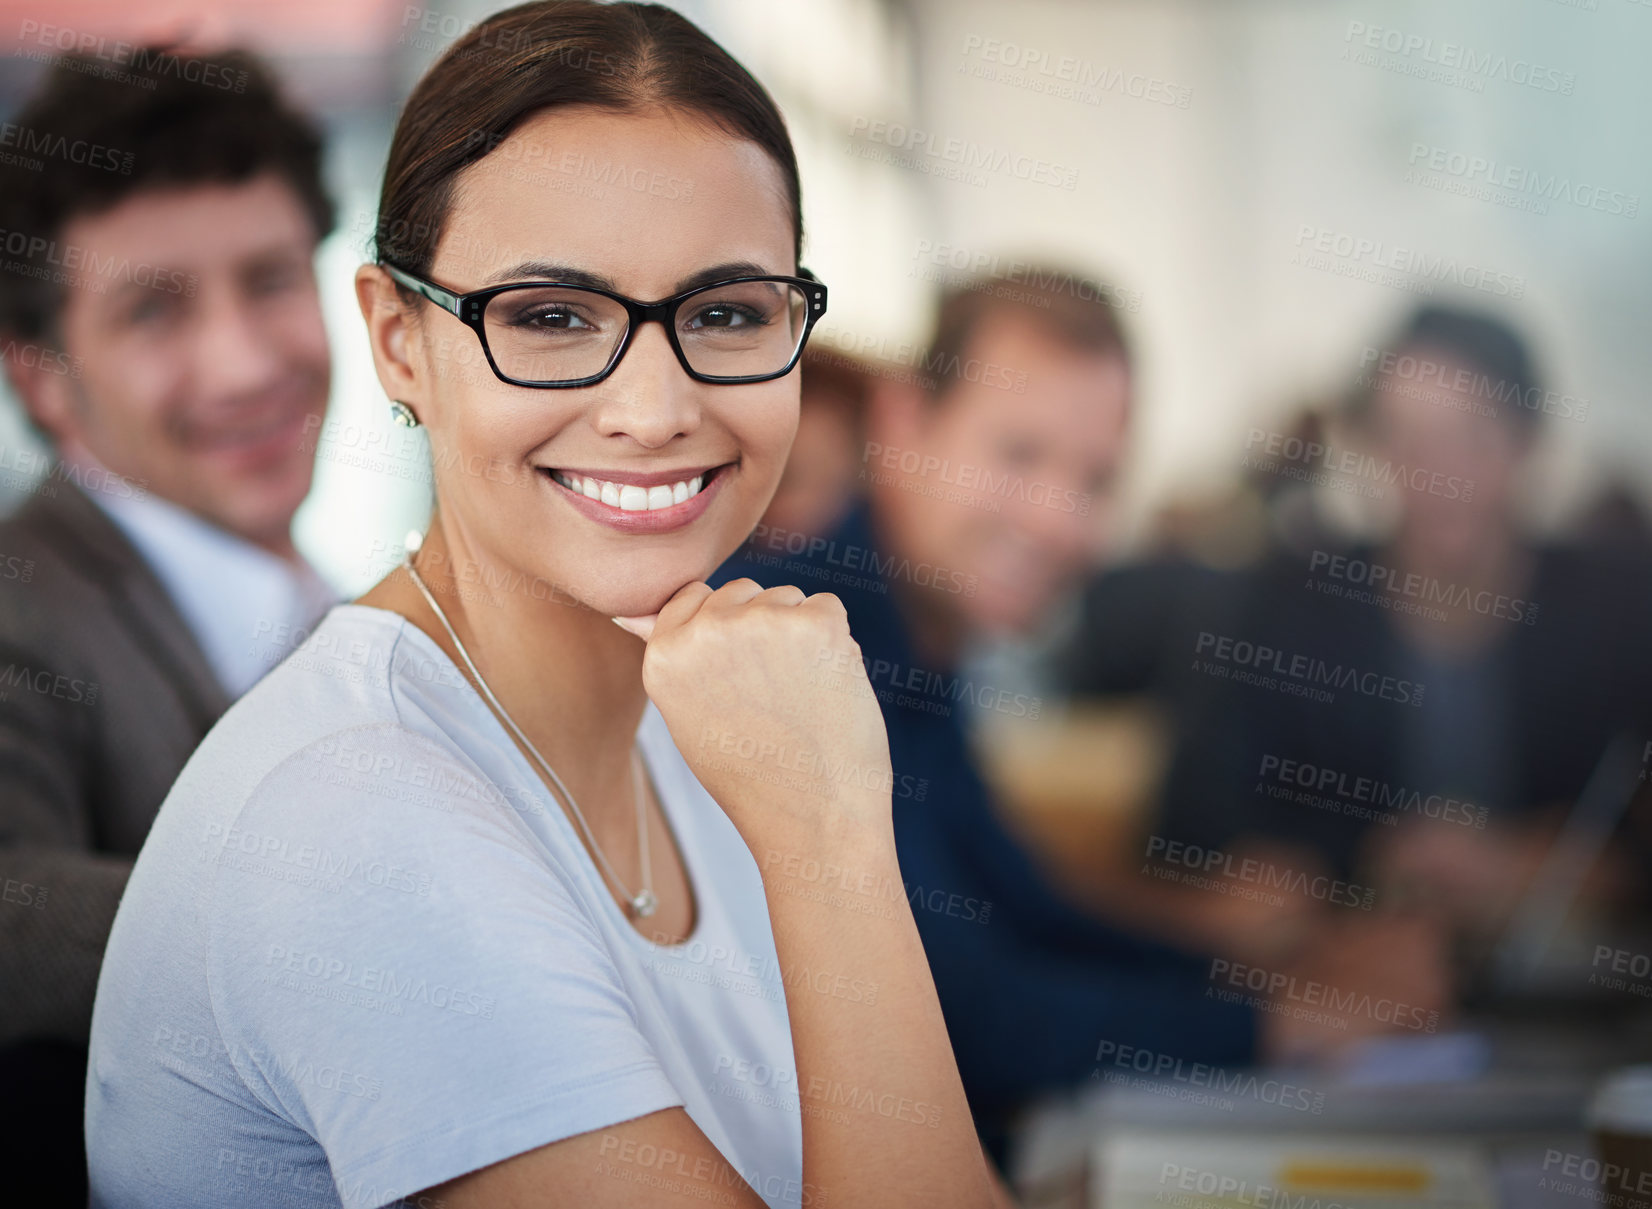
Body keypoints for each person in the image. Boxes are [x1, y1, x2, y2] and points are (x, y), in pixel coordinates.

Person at [87, 4, 1005, 1207]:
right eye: (550, 318)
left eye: (727, 313)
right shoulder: (356, 814)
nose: (652, 407)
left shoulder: (705, 719)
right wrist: (828, 841)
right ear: (398, 343)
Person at [714, 274, 1443, 1156]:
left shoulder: (920, 638)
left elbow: (1028, 911)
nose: (1060, 520)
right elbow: (966, 1014)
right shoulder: (813, 633)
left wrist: (1266, 972)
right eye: (1019, 455)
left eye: (1094, 479)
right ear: (903, 422)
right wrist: (1276, 1025)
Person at [0, 45, 334, 1200]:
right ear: (43, 381)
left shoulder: (336, 615)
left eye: (272, 278)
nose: (243, 364)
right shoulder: (17, 615)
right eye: (155, 310)